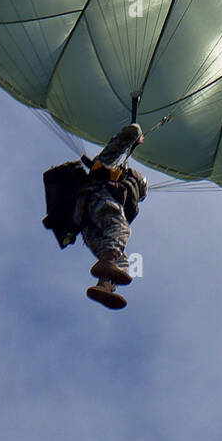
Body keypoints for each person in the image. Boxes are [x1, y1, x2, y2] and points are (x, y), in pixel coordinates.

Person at [73, 124, 148, 310]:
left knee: (121, 260)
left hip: (87, 223)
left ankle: (105, 286)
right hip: (95, 200)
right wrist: (134, 137)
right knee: (121, 230)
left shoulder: (125, 202)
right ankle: (106, 262)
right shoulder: (105, 167)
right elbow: (131, 132)